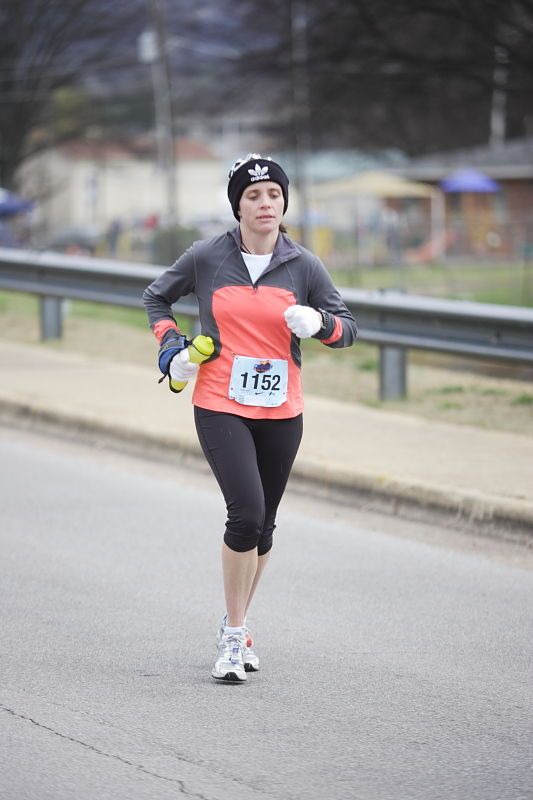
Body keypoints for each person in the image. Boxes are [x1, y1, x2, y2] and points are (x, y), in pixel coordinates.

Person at [143, 153, 357, 683]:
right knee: (245, 514)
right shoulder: (206, 257)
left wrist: (319, 322)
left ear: (284, 203)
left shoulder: (304, 265)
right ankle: (234, 637)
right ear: (238, 205)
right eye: (254, 196)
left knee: (264, 525)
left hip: (283, 409)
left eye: (274, 196)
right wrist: (173, 351)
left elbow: (348, 329)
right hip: (221, 403)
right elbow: (156, 299)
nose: (265, 204)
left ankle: (236, 620)